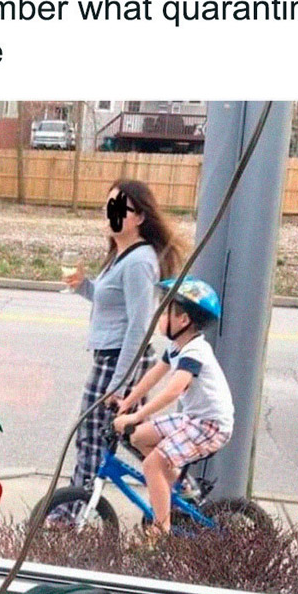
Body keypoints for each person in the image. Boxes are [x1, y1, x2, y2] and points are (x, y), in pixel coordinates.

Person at [60, 179, 185, 513]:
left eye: (120, 208)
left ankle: (74, 512)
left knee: (91, 435)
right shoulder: (122, 255)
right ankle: (182, 492)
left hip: (119, 361)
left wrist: (119, 382)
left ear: (139, 217)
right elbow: (109, 302)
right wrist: (83, 286)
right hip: (117, 359)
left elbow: (139, 326)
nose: (110, 213)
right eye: (108, 205)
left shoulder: (139, 262)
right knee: (132, 435)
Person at [113, 277, 234, 535]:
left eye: (165, 310)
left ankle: (160, 529)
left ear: (183, 320)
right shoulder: (177, 347)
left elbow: (173, 390)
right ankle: (182, 489)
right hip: (193, 419)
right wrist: (127, 402)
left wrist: (137, 415)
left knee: (152, 464)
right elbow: (153, 376)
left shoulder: (195, 352)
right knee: (139, 437)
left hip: (211, 426)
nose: (159, 316)